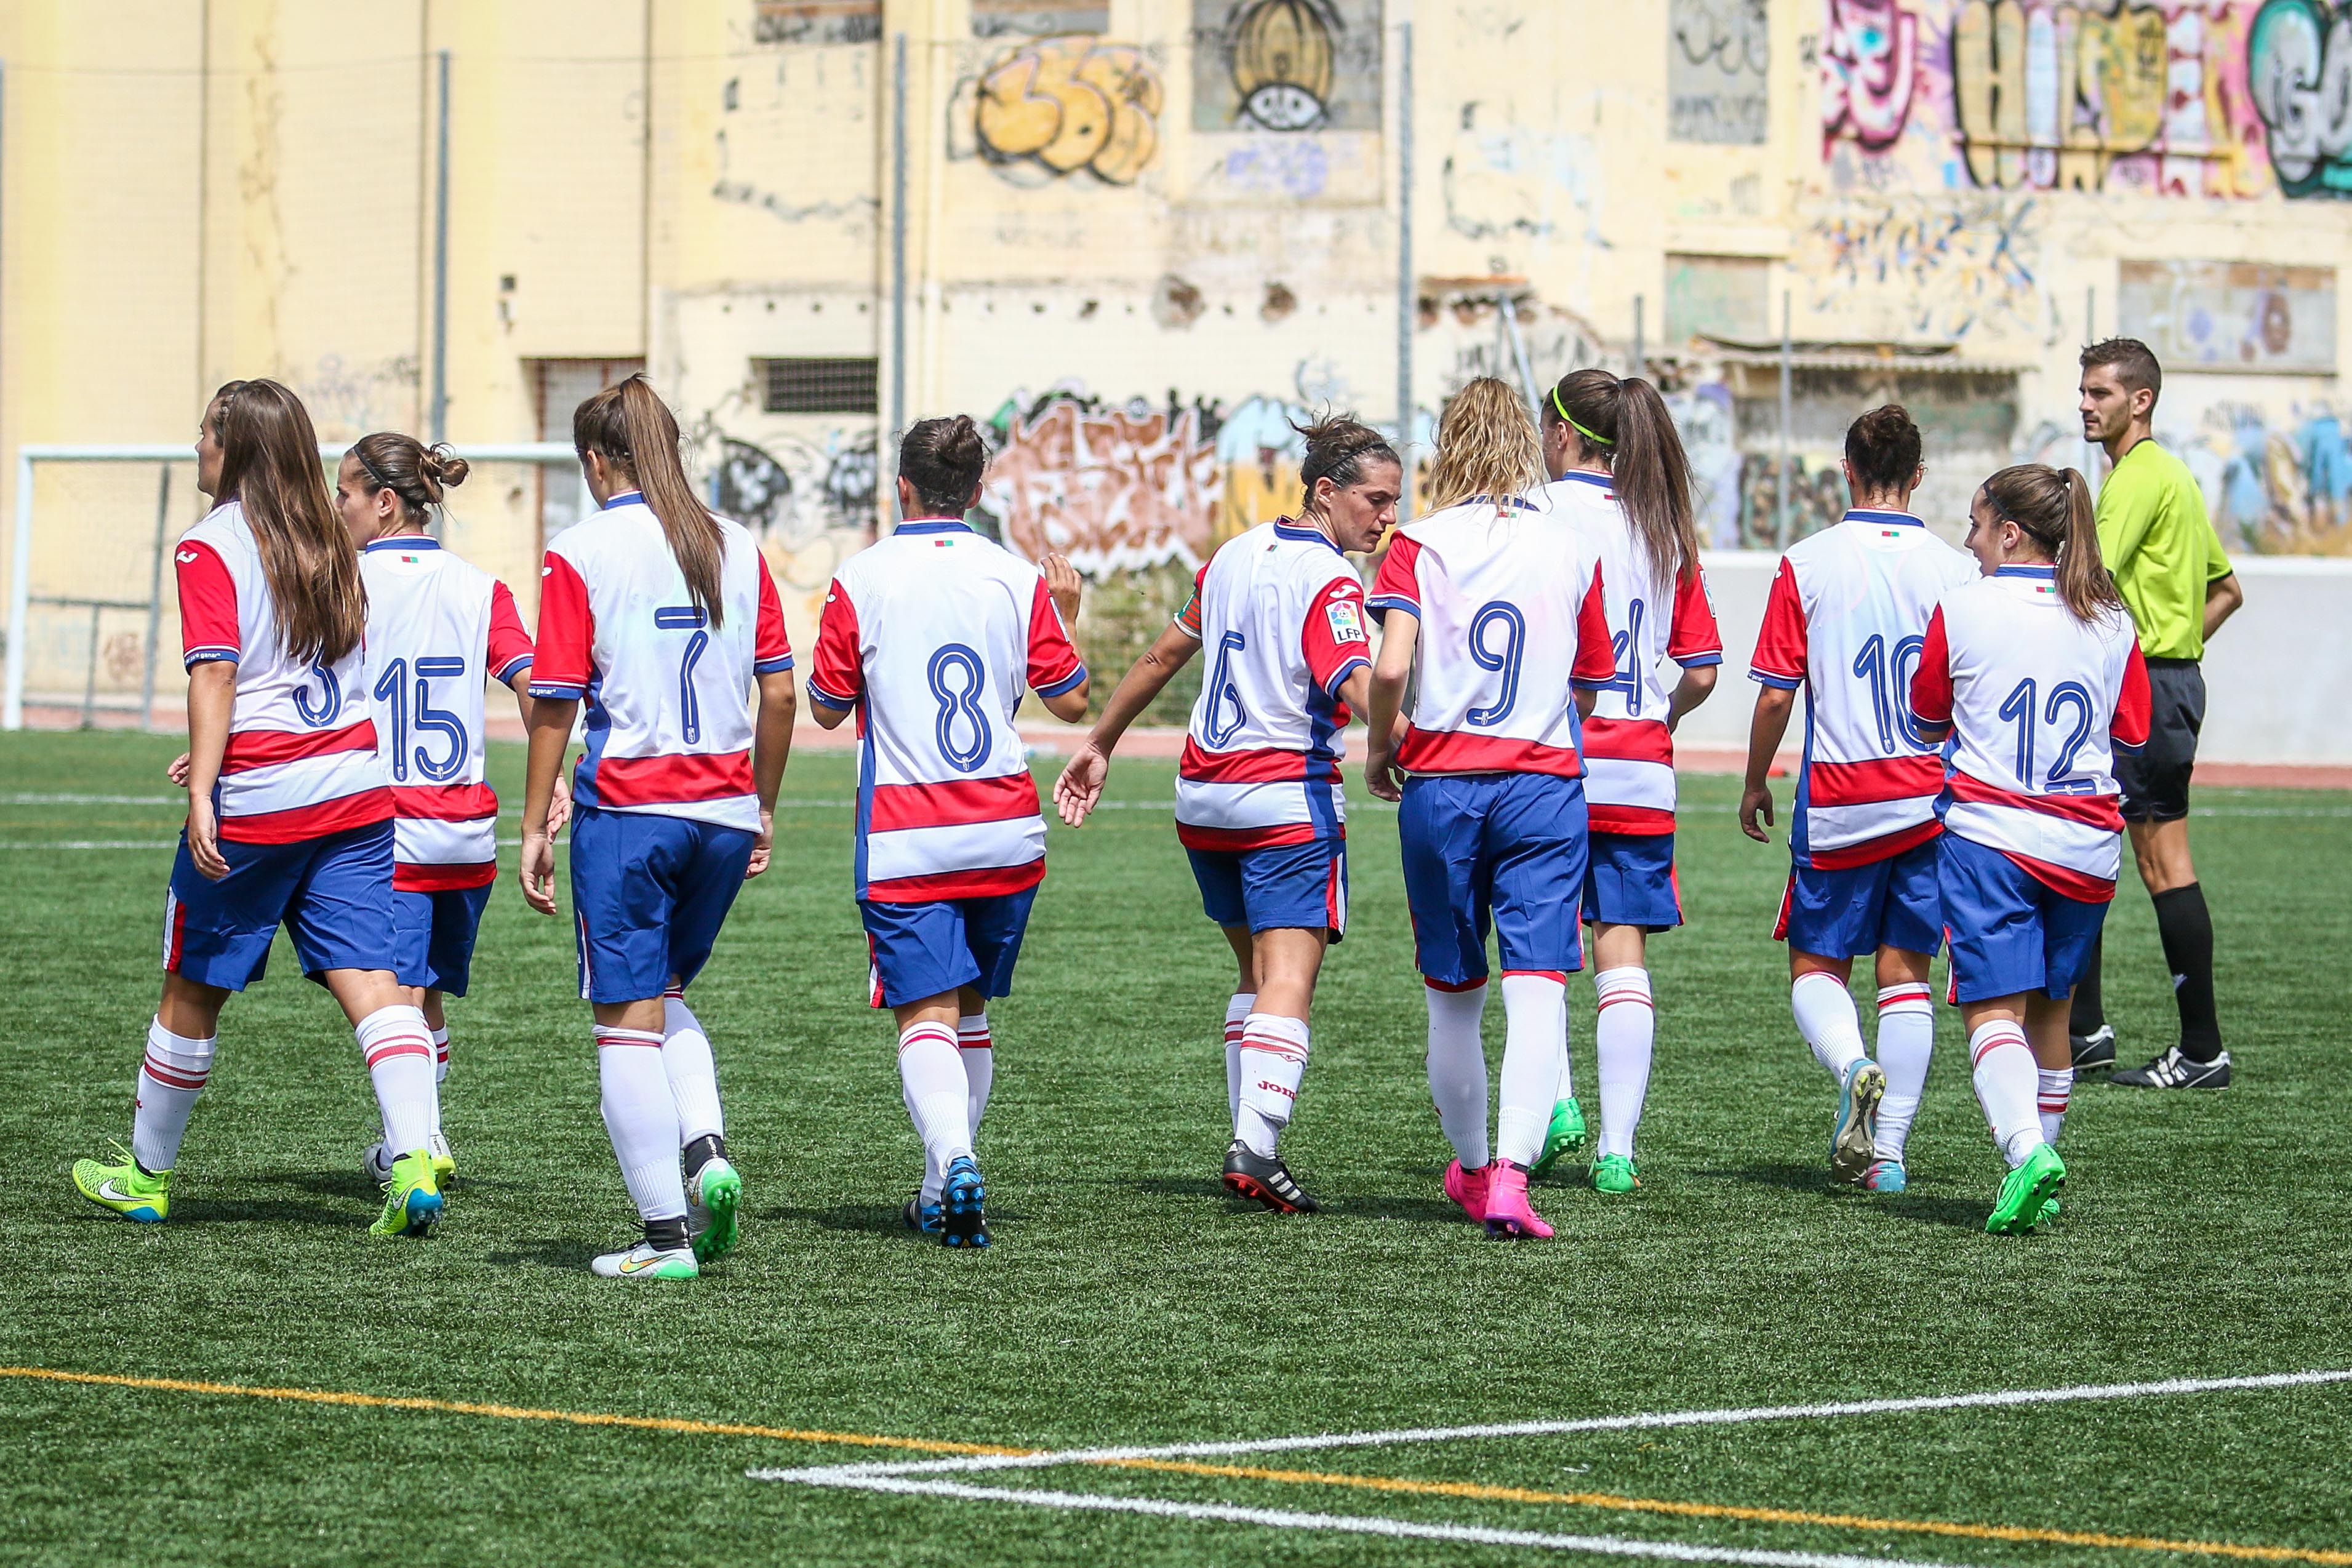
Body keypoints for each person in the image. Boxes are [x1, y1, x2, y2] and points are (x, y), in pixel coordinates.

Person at [72, 380, 445, 1239]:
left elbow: (218, 671)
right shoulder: (331, 534)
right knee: (376, 982)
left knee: (192, 988)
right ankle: (416, 1157)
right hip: (353, 787)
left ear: (233, 447)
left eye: (205, 431)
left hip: (263, 800)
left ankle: (145, 1178)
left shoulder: (210, 545)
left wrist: (206, 785)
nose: (196, 445)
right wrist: (218, 748)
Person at [1055, 415, 1400, 1215]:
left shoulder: (1231, 556)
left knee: (1252, 974)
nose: (1386, 519)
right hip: (1283, 798)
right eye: (1375, 501)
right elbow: (1356, 680)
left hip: (1203, 799)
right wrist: (1394, 740)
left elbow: (1160, 656)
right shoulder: (1332, 581)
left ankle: (1251, 1137)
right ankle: (1255, 1143)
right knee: (1289, 978)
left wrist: (1100, 742)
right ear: (1325, 492)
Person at [518, 375, 798, 1281]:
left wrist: (533, 822)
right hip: (720, 813)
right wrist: (762, 803)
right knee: (667, 992)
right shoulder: (741, 547)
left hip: (633, 815)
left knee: (623, 1025)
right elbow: (780, 693)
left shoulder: (581, 551)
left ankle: (664, 1238)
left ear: (597, 461)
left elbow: (554, 702)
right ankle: (707, 1149)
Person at [804, 415, 1088, 1249]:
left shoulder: (862, 576)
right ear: (976, 492)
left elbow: (824, 708)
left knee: (922, 1009)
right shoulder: (1013, 576)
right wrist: (1064, 613)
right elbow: (1069, 701)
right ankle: (938, 1187)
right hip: (1006, 826)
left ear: (902, 487)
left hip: (906, 828)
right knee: (968, 1009)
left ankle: (955, 1159)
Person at [1364, 379, 1617, 1237]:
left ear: (1448, 443)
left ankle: (1472, 1170)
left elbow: (1390, 669)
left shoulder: (1418, 544)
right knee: (1538, 985)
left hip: (1441, 783)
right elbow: (1589, 679)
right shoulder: (1568, 546)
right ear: (1524, 440)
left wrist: (1377, 747)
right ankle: (1512, 1175)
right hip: (1543, 785)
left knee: (1453, 994)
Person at [1740, 406, 1977, 1191]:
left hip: (1840, 796)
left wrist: (1753, 780)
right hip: (1928, 799)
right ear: (1917, 475)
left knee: (1816, 965)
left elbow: (1777, 695)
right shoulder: (1957, 569)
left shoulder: (1806, 562)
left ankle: (1852, 1064)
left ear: (1846, 469)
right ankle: (1890, 1157)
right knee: (1906, 974)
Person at [1908, 464, 2149, 1234]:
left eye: (1978, 526)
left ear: (2011, 531)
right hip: (2087, 845)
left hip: (1994, 836)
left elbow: (1926, 719)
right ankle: (2038, 1167)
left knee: (1990, 1010)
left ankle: (2025, 1154)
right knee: (2054, 1010)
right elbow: (2133, 733)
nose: (1971, 541)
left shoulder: (1967, 607)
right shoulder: (2112, 616)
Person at [1532, 369, 1723, 1195]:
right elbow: (1704, 673)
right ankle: (1617, 1150)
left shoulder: (1535, 517)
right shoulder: (1662, 526)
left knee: (1539, 947)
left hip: (1553, 759)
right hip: (1639, 765)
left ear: (1562, 434)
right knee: (1623, 955)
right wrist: (1663, 716)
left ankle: (1560, 1105)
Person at [2071, 339, 2243, 1089]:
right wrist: (2173, 650)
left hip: (2144, 688)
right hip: (2159, 682)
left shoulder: (2138, 477)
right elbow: (2228, 589)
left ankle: (2202, 1049)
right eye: (2083, 391)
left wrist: (2152, 660)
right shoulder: (2172, 473)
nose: (2086, 403)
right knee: (2092, 842)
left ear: (2140, 399)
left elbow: (2086, 575)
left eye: (2101, 393)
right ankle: (2084, 1029)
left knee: (2158, 859)